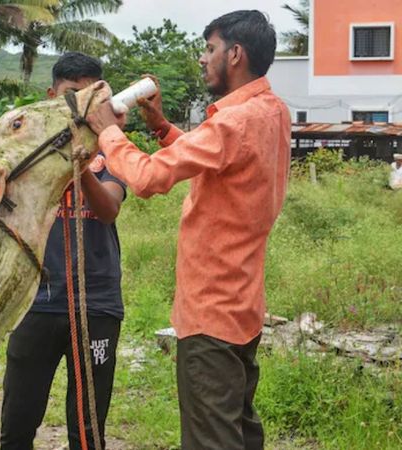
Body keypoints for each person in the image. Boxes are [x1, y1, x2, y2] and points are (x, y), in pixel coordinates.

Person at [86, 10, 290, 450]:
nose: (202, 59)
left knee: (211, 440)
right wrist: (160, 127)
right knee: (239, 431)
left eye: (209, 48)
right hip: (241, 308)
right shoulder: (271, 111)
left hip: (211, 316)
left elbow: (146, 179)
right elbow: (218, 159)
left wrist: (107, 134)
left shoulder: (233, 122)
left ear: (235, 54)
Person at [0, 52, 127, 450]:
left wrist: (82, 167)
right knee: (17, 424)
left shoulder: (112, 147)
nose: (79, 106)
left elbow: (108, 209)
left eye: (90, 95)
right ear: (52, 94)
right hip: (34, 301)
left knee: (87, 431)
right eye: (72, 95)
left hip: (95, 304)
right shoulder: (24, 150)